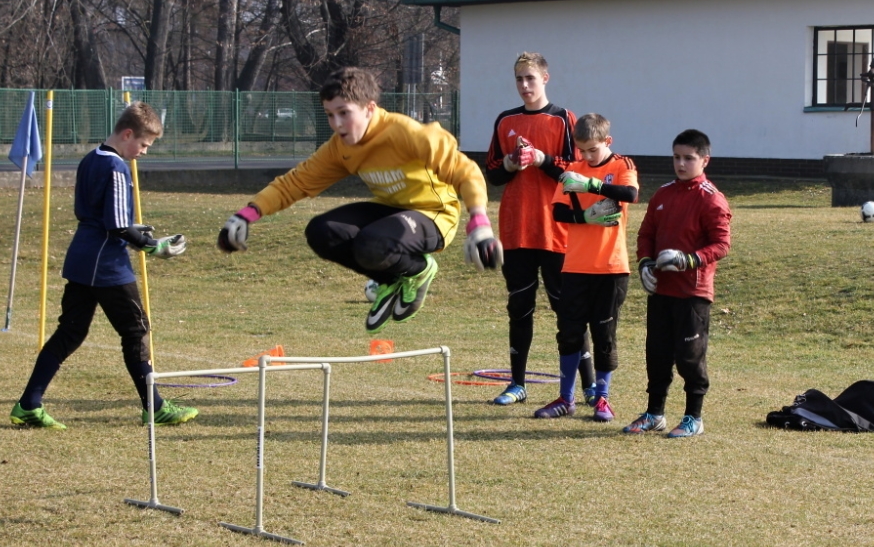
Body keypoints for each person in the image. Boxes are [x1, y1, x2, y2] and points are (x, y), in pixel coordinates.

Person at [217, 67, 501, 333]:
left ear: (369, 108)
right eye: (329, 115)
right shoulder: (340, 147)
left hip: (434, 214)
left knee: (373, 242)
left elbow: (465, 170)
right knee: (321, 231)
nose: (337, 124)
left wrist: (479, 223)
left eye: (344, 113)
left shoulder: (405, 133)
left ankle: (420, 270)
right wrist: (247, 214)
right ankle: (390, 281)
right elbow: (296, 182)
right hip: (390, 213)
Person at [10, 102, 197, 429]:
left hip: (82, 257)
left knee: (70, 332)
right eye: (143, 144)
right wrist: (156, 247)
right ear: (127, 134)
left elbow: (103, 215)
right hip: (106, 263)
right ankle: (155, 407)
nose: (144, 152)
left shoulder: (90, 159)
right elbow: (116, 227)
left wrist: (137, 230)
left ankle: (29, 404)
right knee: (135, 329)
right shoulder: (116, 168)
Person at [483, 52, 595, 407]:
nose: (524, 86)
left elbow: (575, 172)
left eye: (530, 78)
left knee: (569, 311)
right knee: (519, 308)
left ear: (545, 78)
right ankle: (517, 384)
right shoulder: (505, 121)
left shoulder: (562, 119)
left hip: (556, 231)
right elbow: (493, 173)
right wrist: (512, 163)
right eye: (519, 79)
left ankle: (590, 386)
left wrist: (543, 159)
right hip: (517, 230)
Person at [624, 129, 732, 438]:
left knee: (689, 357)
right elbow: (646, 234)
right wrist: (645, 262)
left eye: (688, 158)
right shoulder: (662, 194)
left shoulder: (711, 198)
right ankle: (654, 413)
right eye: (676, 157)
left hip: (692, 293)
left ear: (704, 160)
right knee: (657, 355)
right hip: (662, 291)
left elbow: (721, 245)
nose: (681, 164)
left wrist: (688, 259)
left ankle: (693, 418)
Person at [531, 113, 639, 422]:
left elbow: (629, 195)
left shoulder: (621, 165)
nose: (586, 156)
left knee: (604, 335)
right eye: (582, 150)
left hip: (611, 268)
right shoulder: (572, 170)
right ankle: (566, 398)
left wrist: (592, 184)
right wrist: (585, 217)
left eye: (593, 149)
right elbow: (559, 212)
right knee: (569, 333)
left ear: (607, 141)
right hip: (575, 266)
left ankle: (602, 399)